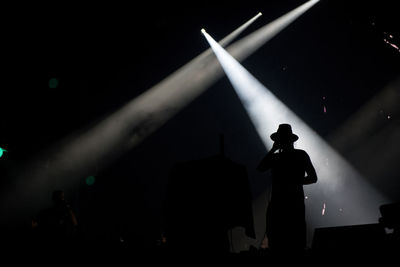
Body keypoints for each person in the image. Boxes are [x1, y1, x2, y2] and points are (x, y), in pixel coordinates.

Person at [257, 124, 317, 252]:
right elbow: (260, 168)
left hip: (290, 204)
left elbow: (313, 177)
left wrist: (294, 181)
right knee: (280, 238)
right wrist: (273, 150)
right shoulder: (279, 157)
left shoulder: (299, 155)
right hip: (282, 204)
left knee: (291, 239)